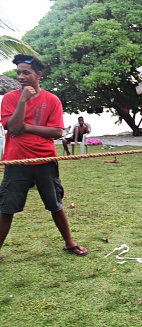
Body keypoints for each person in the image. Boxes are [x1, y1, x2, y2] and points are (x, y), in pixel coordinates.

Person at [0, 54, 88, 260]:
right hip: (16, 161)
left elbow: (57, 132)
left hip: (45, 161)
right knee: (6, 208)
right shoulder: (11, 98)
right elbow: (13, 128)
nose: (20, 76)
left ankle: (69, 243)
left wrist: (26, 127)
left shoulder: (52, 100)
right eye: (18, 72)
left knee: (55, 205)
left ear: (38, 75)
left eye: (26, 73)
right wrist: (23, 99)